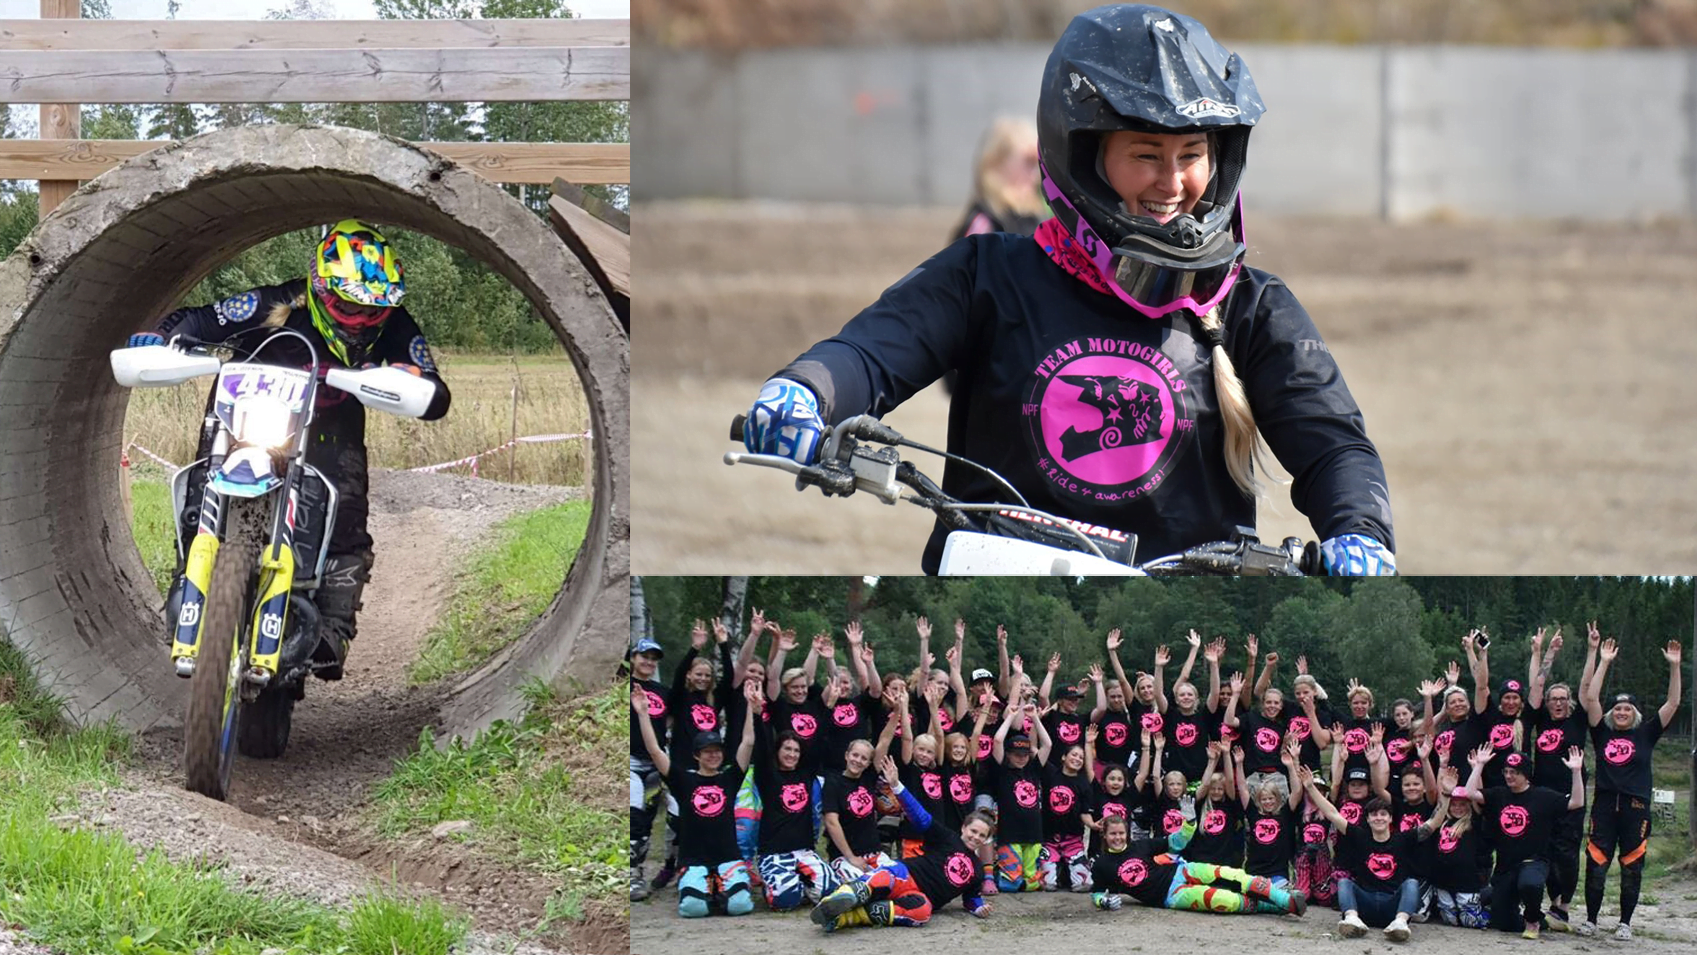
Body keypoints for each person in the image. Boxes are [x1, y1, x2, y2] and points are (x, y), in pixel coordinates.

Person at [741, 4, 1396, 576]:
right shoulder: (986, 274)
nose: (1172, 182)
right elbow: (870, 353)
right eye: (1145, 154)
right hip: (992, 593)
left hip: (1174, 621)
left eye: (1191, 153)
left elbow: (1332, 443)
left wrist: (1359, 531)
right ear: (1082, 155)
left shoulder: (1252, 305)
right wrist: (805, 392)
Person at [134, 220, 450, 677]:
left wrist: (412, 379)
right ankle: (190, 580)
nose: (360, 320)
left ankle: (334, 625)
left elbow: (435, 391)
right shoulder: (276, 304)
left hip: (328, 430)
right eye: (347, 305)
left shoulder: (397, 326)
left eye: (371, 311)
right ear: (319, 289)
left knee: (346, 506)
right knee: (202, 489)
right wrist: (161, 339)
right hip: (243, 421)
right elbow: (202, 318)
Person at [809, 755, 995, 931]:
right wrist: (897, 786)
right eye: (973, 831)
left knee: (922, 914)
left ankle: (846, 918)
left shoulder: (978, 871)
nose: (976, 837)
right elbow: (920, 817)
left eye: (981, 835)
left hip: (921, 897)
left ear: (986, 839)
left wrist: (979, 908)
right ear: (964, 827)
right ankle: (842, 897)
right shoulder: (948, 837)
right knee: (884, 878)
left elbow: (971, 899)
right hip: (906, 875)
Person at [1577, 633, 1682, 940]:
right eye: (1617, 709)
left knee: (1632, 867)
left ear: (1634, 714)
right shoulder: (1602, 733)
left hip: (1636, 808)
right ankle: (1592, 920)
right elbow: (1592, 698)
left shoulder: (1647, 733)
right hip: (1605, 806)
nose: (1621, 712)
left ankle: (1625, 923)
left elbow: (1673, 702)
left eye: (1627, 709)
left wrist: (1674, 667)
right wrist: (1604, 663)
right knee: (1596, 864)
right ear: (1612, 714)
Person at [630, 680, 759, 917]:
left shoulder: (730, 778)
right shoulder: (683, 780)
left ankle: (720, 888)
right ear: (696, 755)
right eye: (707, 751)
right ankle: (708, 890)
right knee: (693, 909)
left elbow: (748, 741)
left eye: (717, 751)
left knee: (740, 905)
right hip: (693, 859)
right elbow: (655, 750)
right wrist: (643, 714)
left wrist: (751, 707)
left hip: (727, 856)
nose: (713, 755)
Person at [1460, 744, 1586, 938]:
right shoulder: (1499, 794)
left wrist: (1576, 772)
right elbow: (1470, 794)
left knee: (1530, 884)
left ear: (1526, 775)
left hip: (1534, 862)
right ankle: (1546, 921)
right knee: (1503, 922)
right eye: (1507, 772)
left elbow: (1576, 802)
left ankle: (1533, 921)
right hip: (1506, 867)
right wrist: (1479, 765)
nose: (1509, 776)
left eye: (1515, 772)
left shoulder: (1543, 796)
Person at [1087, 813, 1306, 916]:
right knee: (1224, 900)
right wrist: (1103, 902)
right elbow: (1096, 892)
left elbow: (1175, 843)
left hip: (1181, 870)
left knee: (1231, 874)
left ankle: (1285, 900)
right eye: (1113, 834)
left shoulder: (1140, 845)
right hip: (1170, 896)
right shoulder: (1102, 864)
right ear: (1104, 836)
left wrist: (1189, 823)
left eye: (1121, 833)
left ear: (1127, 833)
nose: (1118, 838)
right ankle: (1273, 906)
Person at [1299, 766, 1421, 942]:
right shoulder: (1360, 836)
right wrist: (1310, 787)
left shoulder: (1402, 839)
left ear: (1390, 818)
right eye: (1374, 815)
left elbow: (1433, 824)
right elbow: (1332, 813)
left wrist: (1446, 797)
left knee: (1411, 883)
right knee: (1344, 882)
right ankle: (1351, 919)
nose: (1378, 818)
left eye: (1383, 814)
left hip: (1392, 908)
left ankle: (1401, 924)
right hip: (1366, 907)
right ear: (1368, 819)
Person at [1525, 625, 1596, 929]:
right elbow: (1536, 687)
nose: (1557, 702)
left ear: (1569, 701)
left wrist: (1593, 651)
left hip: (1571, 793)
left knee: (1567, 850)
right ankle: (1544, 904)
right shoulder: (1541, 718)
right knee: (1543, 847)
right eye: (1554, 698)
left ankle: (1562, 906)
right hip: (1542, 793)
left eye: (1562, 698)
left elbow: (1586, 688)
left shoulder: (1577, 721)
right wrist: (1546, 652)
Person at [952, 117, 1048, 241]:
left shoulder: (1035, 217)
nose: (1035, 174)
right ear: (996, 163)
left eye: (1037, 164)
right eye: (1028, 162)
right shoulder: (983, 226)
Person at [629, 636, 670, 901]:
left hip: (654, 764)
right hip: (630, 760)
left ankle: (638, 870)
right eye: (645, 656)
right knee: (633, 813)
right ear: (633, 657)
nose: (649, 662)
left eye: (654, 659)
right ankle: (630, 873)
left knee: (647, 819)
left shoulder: (662, 691)